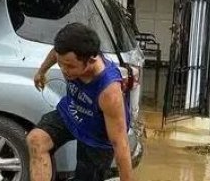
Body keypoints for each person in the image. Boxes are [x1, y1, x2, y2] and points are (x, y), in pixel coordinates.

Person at [28, 23, 133, 181]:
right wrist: (42, 71)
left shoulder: (109, 92)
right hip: (73, 112)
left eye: (70, 66)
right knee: (36, 140)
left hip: (97, 136)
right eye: (61, 64)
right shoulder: (68, 53)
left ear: (91, 61)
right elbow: (56, 53)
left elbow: (120, 143)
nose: (64, 70)